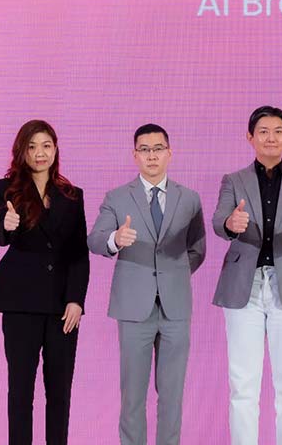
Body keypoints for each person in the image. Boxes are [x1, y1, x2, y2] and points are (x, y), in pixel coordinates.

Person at [88, 124, 207, 445]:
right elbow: (95, 239)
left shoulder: (189, 199)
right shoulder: (117, 197)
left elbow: (197, 249)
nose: (151, 156)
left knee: (172, 396)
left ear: (170, 153)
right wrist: (115, 239)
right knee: (132, 396)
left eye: (158, 149)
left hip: (175, 308)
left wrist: (173, 274)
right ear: (135, 155)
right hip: (133, 308)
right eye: (144, 150)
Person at [212, 106, 282, 445]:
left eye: (277, 131)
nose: (271, 137)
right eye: (263, 131)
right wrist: (231, 223)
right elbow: (218, 221)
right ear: (250, 137)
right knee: (243, 384)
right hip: (243, 286)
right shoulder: (233, 180)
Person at [0, 120, 89, 445]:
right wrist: (6, 224)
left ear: (55, 149)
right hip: (21, 302)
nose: (39, 153)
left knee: (60, 391)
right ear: (22, 151)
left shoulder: (71, 195)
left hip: (62, 306)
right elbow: (0, 234)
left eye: (46, 145)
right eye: (31, 147)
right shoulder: (6, 189)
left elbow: (78, 251)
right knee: (20, 391)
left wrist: (76, 299)